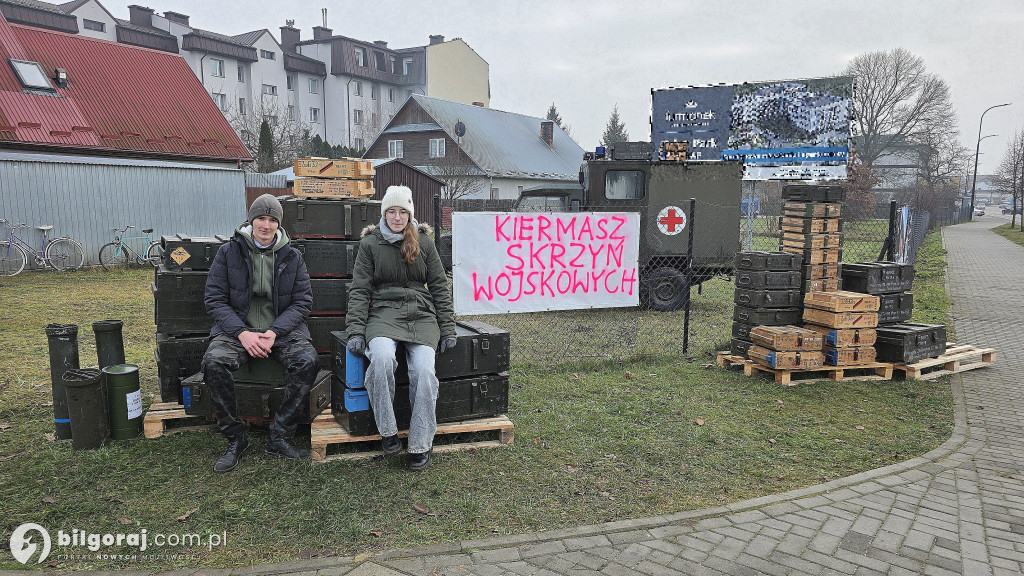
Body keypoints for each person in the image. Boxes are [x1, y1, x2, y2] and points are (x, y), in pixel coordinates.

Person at [202, 193, 319, 473]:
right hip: (236, 331)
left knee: (308, 361)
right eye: (260, 218)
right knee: (212, 363)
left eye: (272, 220)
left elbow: (303, 302)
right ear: (251, 220)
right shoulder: (228, 253)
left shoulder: (293, 257)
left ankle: (280, 435)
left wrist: (274, 332)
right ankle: (235, 438)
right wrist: (242, 333)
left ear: (278, 224)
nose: (265, 225)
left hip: (279, 331)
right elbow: (214, 300)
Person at [346, 185, 456, 471]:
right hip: (383, 313)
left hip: (421, 315)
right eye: (391, 211)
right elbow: (359, 290)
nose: (397, 217)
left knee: (423, 371)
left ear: (410, 213)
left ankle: (420, 444)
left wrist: (448, 327)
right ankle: (389, 432)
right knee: (380, 360)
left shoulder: (424, 242)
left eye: (402, 211)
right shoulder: (370, 244)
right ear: (384, 213)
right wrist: (356, 331)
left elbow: (440, 287)